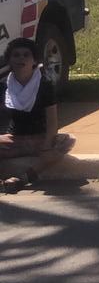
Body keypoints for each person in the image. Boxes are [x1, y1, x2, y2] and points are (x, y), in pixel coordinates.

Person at [0, 38, 75, 192]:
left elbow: (52, 121)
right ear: (9, 60)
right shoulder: (3, 86)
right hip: (14, 140)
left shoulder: (44, 85)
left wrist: (47, 146)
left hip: (40, 139)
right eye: (16, 55)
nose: (21, 58)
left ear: (34, 60)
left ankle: (23, 179)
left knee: (68, 141)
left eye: (26, 55)